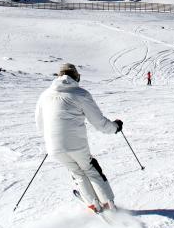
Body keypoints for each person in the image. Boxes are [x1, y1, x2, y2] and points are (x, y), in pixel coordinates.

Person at [35, 63, 122, 212]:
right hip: (75, 145)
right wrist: (115, 127)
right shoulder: (80, 94)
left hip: (54, 147)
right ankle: (108, 204)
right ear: (76, 77)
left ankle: (93, 203)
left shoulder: (45, 94)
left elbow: (39, 123)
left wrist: (52, 139)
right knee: (90, 168)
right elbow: (99, 123)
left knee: (76, 172)